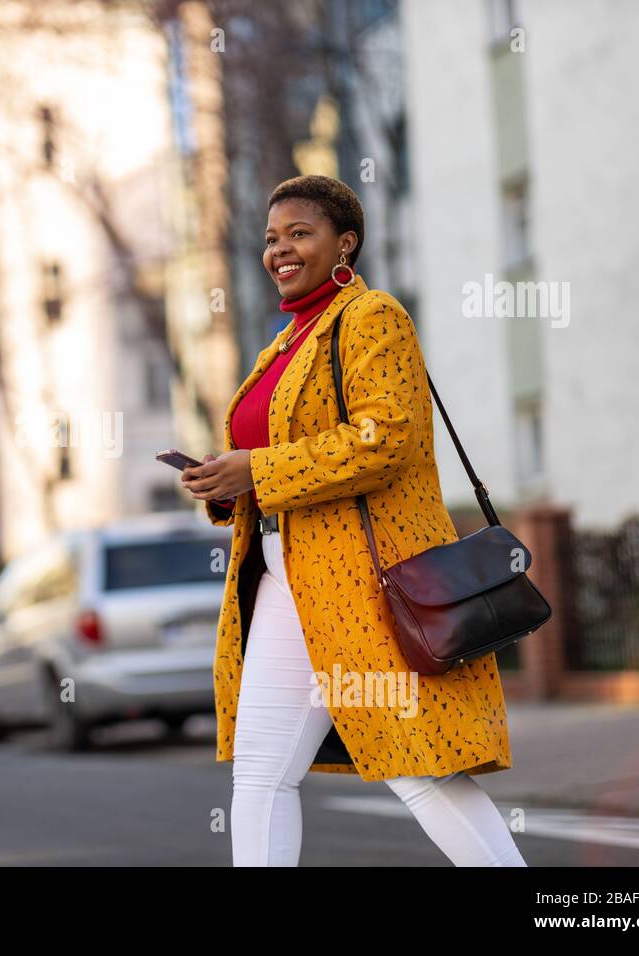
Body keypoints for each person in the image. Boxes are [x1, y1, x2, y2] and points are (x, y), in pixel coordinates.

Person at [181, 174, 526, 867]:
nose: (279, 249)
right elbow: (274, 458)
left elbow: (385, 437)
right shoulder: (282, 344)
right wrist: (228, 481)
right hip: (283, 578)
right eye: (272, 238)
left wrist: (259, 470)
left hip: (361, 581)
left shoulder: (373, 318)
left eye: (299, 234)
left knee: (418, 769)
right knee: (260, 773)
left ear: (345, 243)